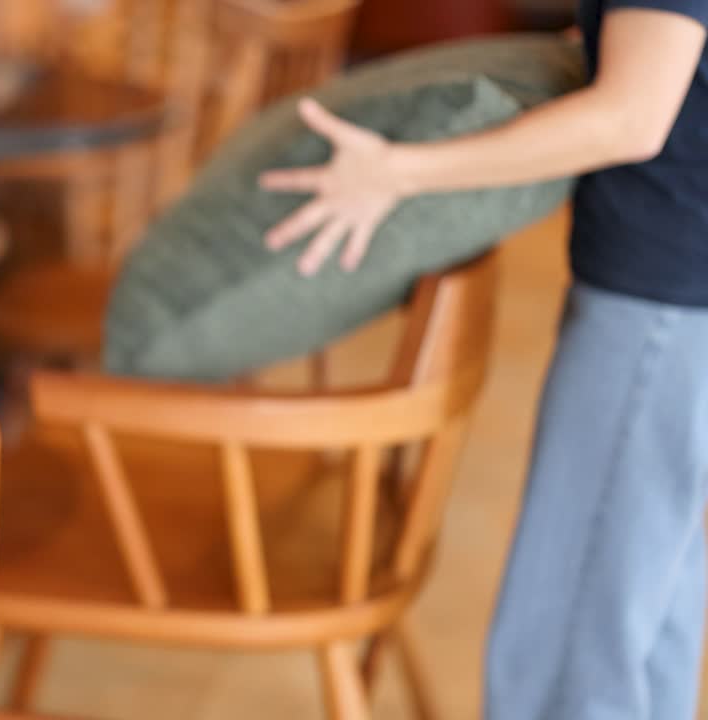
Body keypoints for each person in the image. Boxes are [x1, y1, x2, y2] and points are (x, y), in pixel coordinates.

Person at [256, 3, 708, 718]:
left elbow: (630, 118)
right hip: (679, 299)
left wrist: (399, 173)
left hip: (660, 304)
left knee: (574, 645)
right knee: (645, 611)